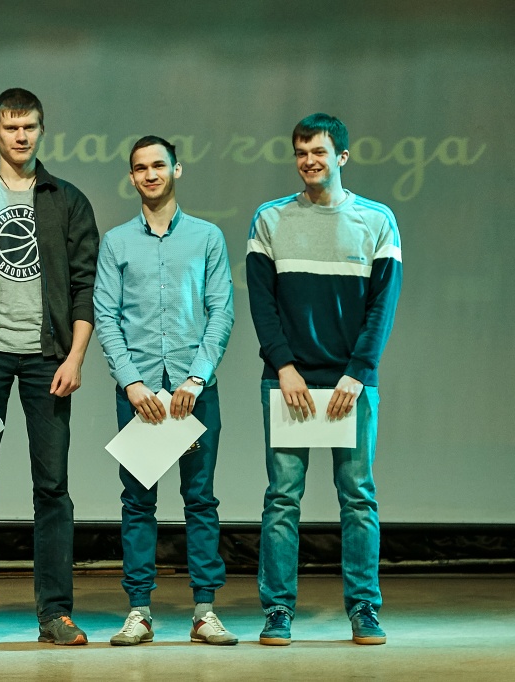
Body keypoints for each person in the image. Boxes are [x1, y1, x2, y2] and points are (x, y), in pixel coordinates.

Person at [0, 88, 99, 647]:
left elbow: (84, 287)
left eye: (29, 127)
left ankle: (55, 614)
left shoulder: (66, 199)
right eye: (11, 127)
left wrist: (75, 357)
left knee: (52, 488)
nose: (21, 136)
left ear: (41, 131)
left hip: (48, 360)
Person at [246, 113, 402, 646]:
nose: (308, 161)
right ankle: (278, 610)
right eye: (301, 152)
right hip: (288, 381)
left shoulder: (376, 220)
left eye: (318, 151)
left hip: (350, 385)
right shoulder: (270, 219)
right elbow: (262, 305)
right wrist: (284, 367)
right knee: (282, 498)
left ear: (342, 157)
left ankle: (364, 608)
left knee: (357, 497)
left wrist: (357, 373)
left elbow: (382, 307)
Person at [94, 135, 237, 647]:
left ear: (177, 169)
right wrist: (131, 382)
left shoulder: (207, 237)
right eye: (140, 168)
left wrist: (196, 377)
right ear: (131, 177)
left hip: (193, 392)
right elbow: (106, 316)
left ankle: (204, 612)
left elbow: (221, 310)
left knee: (200, 501)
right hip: (139, 396)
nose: (150, 174)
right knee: (137, 503)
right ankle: (139, 611)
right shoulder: (116, 242)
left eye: (159, 165)